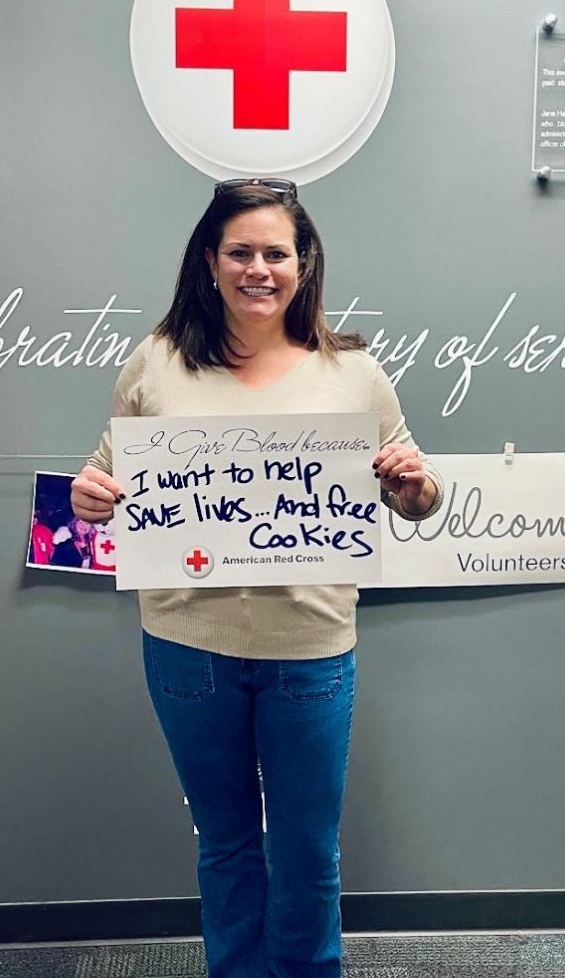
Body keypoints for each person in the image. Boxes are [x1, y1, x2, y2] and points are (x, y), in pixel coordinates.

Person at [71, 180, 441, 978]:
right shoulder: (157, 363)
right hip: (187, 649)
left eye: (277, 253)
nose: (258, 269)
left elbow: (415, 493)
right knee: (227, 844)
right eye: (240, 252)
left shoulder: (353, 372)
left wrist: (413, 486)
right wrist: (88, 496)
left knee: (308, 851)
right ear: (210, 261)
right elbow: (103, 480)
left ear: (304, 265)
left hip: (309, 650)